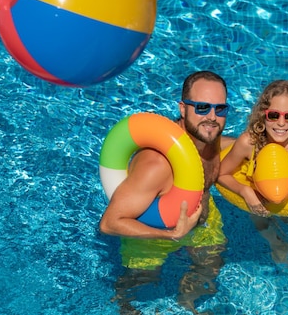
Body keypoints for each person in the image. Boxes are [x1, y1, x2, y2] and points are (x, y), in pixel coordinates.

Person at [99, 71, 235, 314]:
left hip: (199, 220)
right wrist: (171, 236)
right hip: (154, 236)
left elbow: (233, 144)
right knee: (138, 290)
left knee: (211, 269)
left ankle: (186, 305)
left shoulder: (210, 137)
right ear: (183, 109)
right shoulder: (157, 165)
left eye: (220, 109)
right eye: (202, 107)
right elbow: (110, 223)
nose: (212, 117)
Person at [218, 79, 288, 265]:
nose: (281, 124)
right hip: (259, 192)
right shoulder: (249, 144)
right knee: (260, 218)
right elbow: (221, 173)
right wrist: (245, 191)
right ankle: (275, 243)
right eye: (273, 115)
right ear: (263, 115)